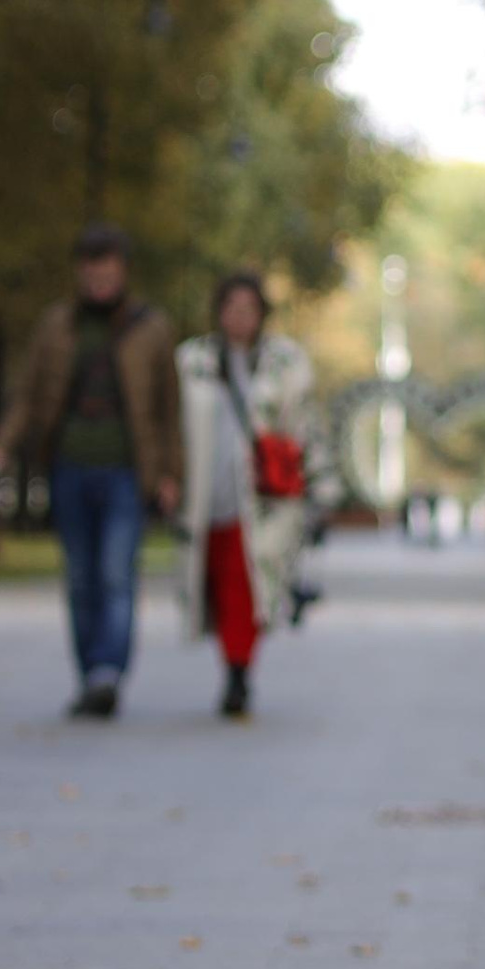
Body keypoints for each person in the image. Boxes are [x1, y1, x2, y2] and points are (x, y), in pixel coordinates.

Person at [0, 222, 180, 719]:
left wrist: (171, 474)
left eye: (108, 270)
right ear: (80, 273)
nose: (99, 281)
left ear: (123, 272)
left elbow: (169, 410)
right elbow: (29, 396)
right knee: (81, 577)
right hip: (69, 466)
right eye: (90, 271)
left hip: (128, 472)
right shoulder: (57, 326)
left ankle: (108, 671)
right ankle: (90, 673)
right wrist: (0, 446)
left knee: (114, 572)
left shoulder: (153, 330)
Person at [175, 271, 317, 718]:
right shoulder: (191, 360)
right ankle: (232, 664)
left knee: (246, 583)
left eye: (248, 310)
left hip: (261, 497)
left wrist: (317, 489)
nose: (240, 318)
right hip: (205, 492)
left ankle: (238, 673)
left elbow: (305, 427)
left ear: (261, 315)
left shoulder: (286, 363)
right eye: (231, 309)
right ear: (218, 313)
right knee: (215, 583)